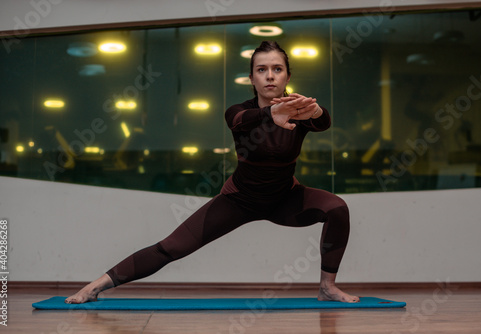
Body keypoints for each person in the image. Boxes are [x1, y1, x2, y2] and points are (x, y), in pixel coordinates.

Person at [66, 41, 359, 304]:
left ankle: (327, 287)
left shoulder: (297, 111)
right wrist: (271, 114)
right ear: (252, 78)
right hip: (238, 201)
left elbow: (324, 124)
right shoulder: (239, 111)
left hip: (285, 198)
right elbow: (241, 121)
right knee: (170, 248)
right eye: (262, 69)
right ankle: (97, 285)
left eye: (277, 69)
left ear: (287, 76)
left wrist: (316, 112)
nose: (270, 75)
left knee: (337, 208)